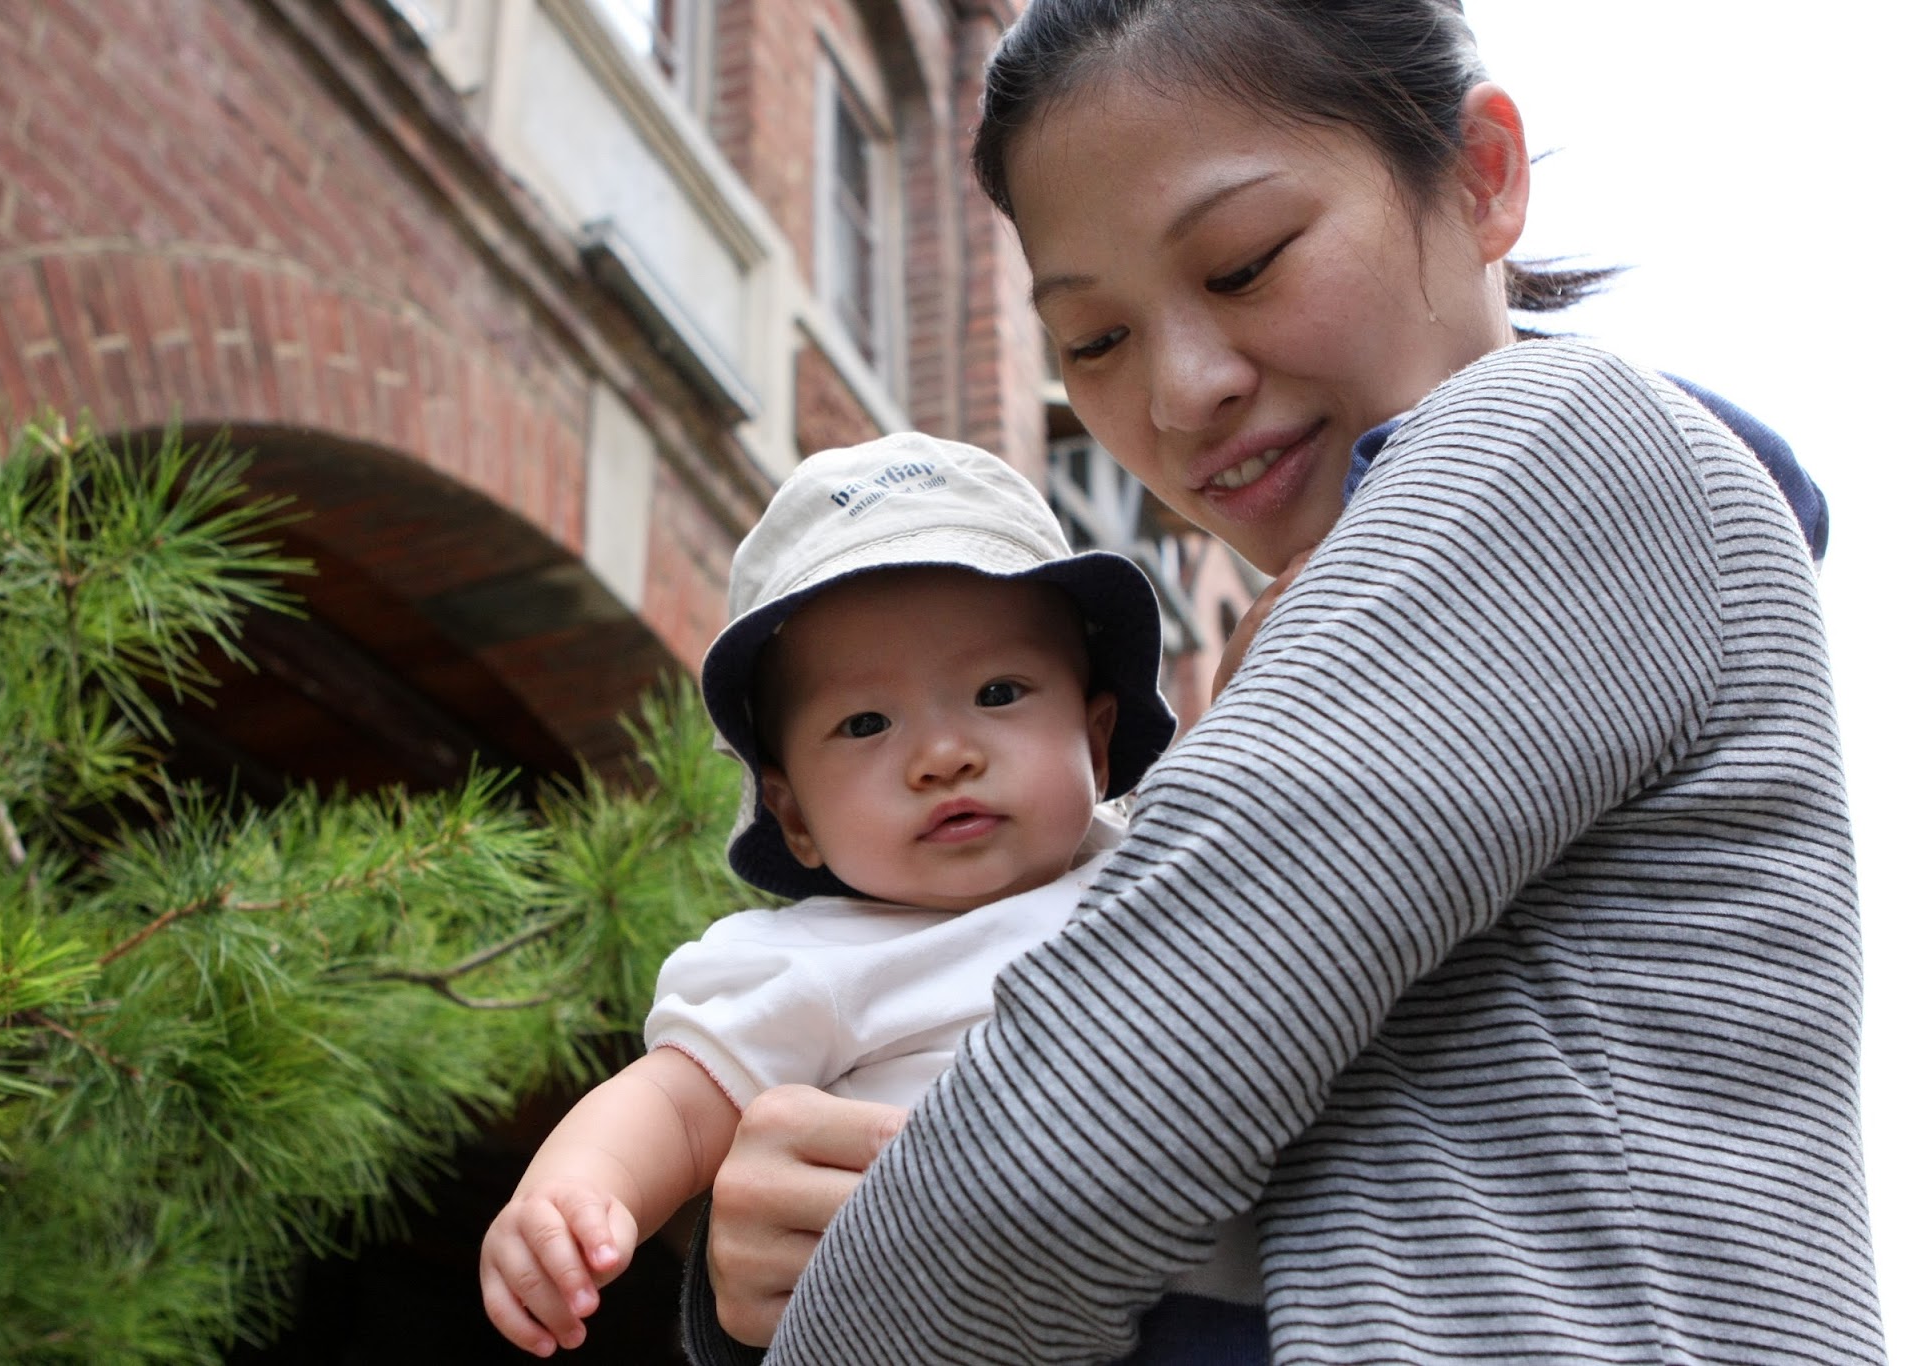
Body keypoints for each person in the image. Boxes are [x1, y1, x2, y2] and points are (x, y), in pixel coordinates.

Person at [681, 1, 1884, 1362]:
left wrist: (825, 1315)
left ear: (1480, 174)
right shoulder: (1371, 605)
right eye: (1095, 342)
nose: (1180, 390)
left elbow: (1077, 1137)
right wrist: (803, 1229)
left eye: (1245, 264)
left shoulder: (1557, 445)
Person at [479, 433, 1202, 1356]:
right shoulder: (814, 958)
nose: (944, 754)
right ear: (793, 815)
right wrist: (574, 1195)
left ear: (1097, 743)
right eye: (865, 723)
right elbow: (672, 1106)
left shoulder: (1174, 869)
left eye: (998, 691)